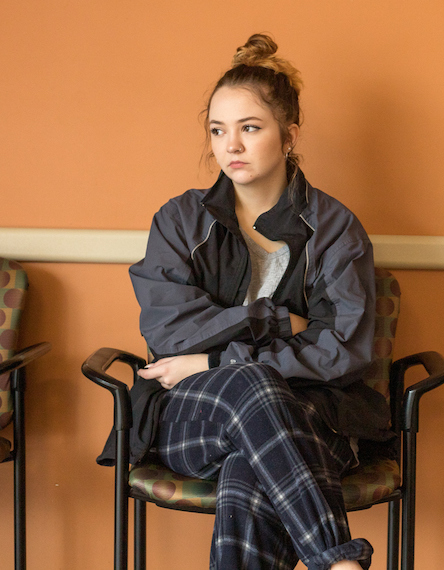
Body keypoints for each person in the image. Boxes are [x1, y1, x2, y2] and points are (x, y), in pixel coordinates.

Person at [127, 33, 387, 570]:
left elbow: (345, 348)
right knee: (255, 384)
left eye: (250, 128)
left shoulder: (335, 228)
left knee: (250, 467)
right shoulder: (179, 221)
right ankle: (338, 560)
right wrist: (269, 319)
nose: (231, 147)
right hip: (194, 416)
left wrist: (219, 357)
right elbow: (168, 333)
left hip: (316, 418)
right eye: (218, 130)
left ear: (289, 136)